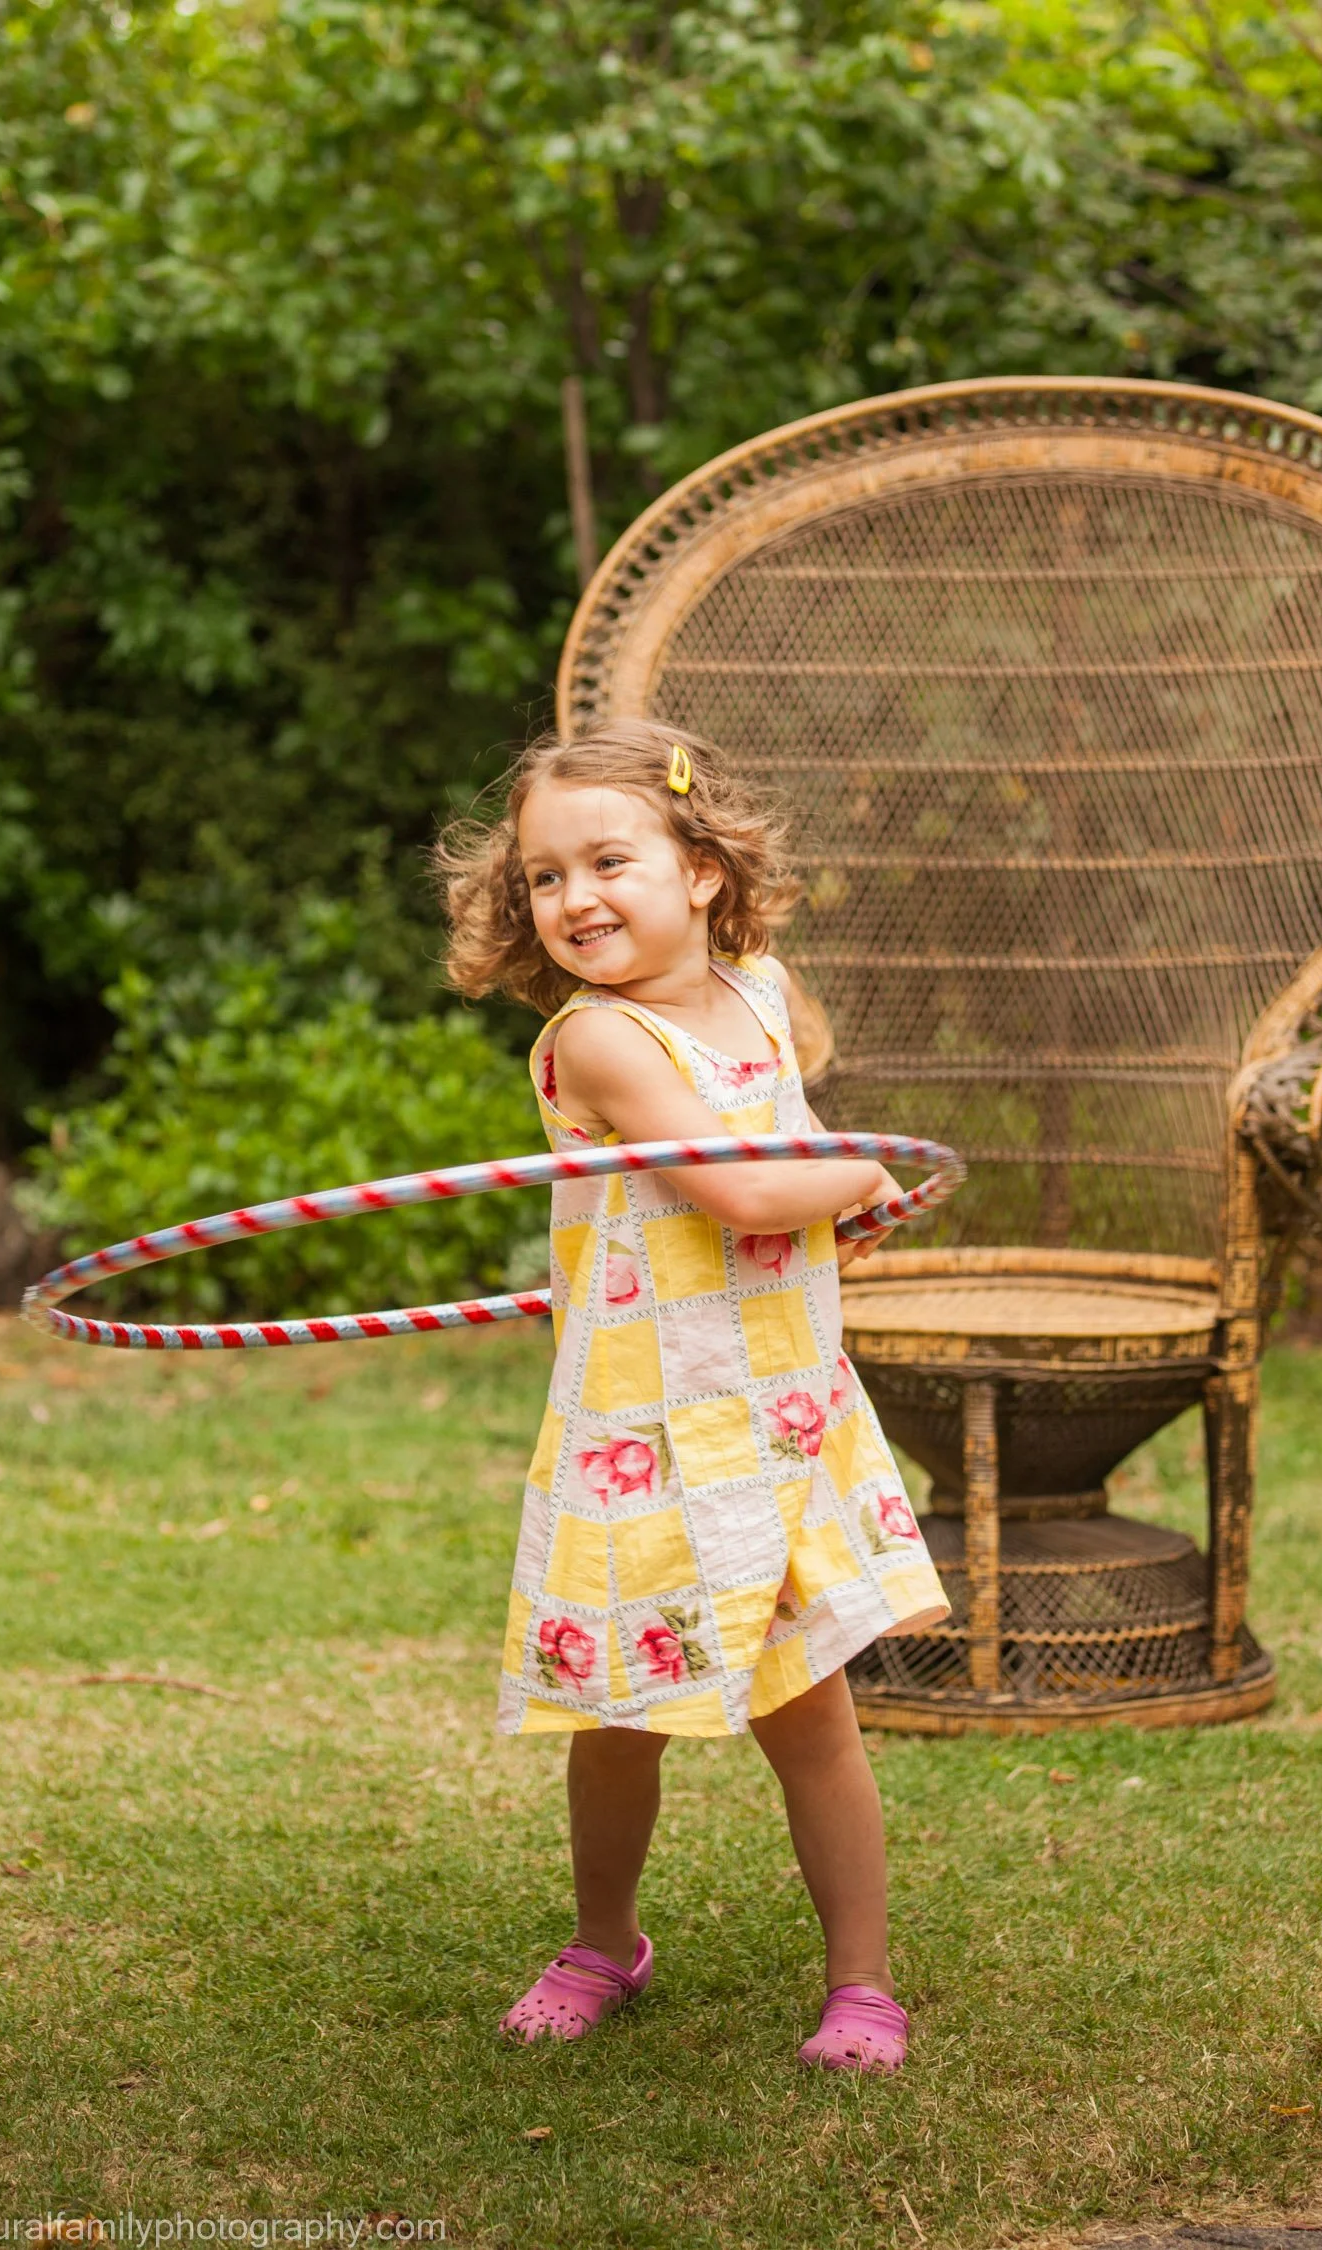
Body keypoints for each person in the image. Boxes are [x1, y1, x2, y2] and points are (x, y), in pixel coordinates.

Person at [435, 717, 951, 2074]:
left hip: (776, 1419)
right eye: (545, 877)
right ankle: (606, 1938)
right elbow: (749, 1187)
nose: (574, 898)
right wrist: (857, 1173)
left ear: (702, 870)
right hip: (645, 1437)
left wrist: (851, 1199)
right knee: (615, 1722)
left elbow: (788, 1173)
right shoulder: (599, 1039)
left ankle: (861, 1982)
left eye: (608, 859)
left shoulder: (765, 993)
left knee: (814, 1721)